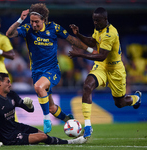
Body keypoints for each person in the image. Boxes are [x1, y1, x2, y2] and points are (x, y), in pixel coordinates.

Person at [6, 3, 96, 134]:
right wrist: (20, 19)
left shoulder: (54, 28)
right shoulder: (27, 29)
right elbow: (9, 33)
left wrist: (89, 50)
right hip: (37, 73)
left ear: (44, 20)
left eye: (36, 22)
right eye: (31, 21)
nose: (34, 24)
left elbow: (72, 40)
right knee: (52, 107)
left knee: (38, 87)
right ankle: (68, 119)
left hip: (52, 70)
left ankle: (46, 120)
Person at [68, 7, 142, 139]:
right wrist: (78, 34)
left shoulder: (110, 33)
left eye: (98, 20)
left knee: (119, 103)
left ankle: (136, 98)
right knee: (87, 86)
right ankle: (88, 126)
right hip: (102, 67)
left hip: (115, 69)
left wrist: (80, 54)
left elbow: (101, 55)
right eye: (94, 20)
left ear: (105, 19)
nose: (95, 23)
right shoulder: (99, 28)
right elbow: (93, 42)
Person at [0, 72, 87, 147]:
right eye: (8, 82)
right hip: (8, 136)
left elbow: (30, 110)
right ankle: (71, 142)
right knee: (43, 137)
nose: (10, 84)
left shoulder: (11, 95)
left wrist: (29, 105)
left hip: (16, 127)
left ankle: (29, 141)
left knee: (42, 134)